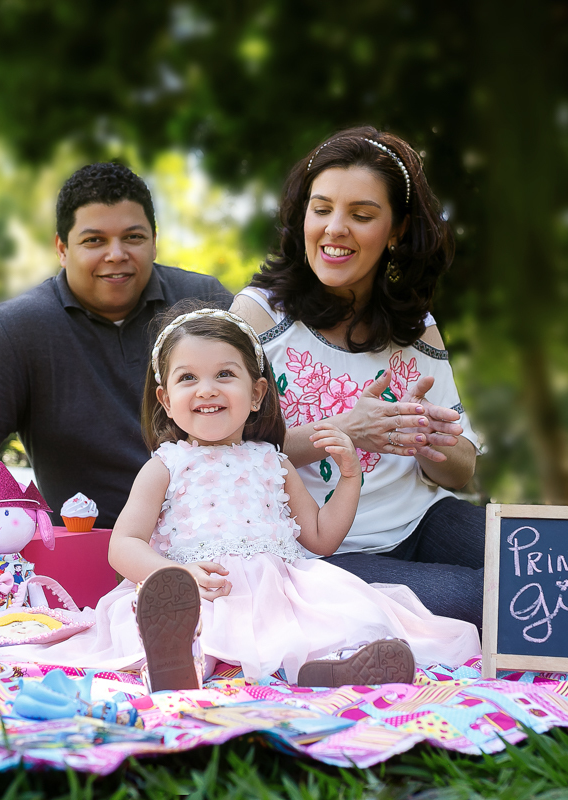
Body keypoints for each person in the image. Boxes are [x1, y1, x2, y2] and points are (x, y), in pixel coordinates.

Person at [0, 306, 481, 688]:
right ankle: (178, 663)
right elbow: (122, 545)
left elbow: (321, 538)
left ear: (256, 394)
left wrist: (350, 476)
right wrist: (173, 574)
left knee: (341, 622)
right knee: (190, 624)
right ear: (166, 400)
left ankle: (327, 671)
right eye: (188, 378)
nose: (206, 389)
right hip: (198, 589)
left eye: (225, 375)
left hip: (280, 592)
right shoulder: (164, 466)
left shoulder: (274, 461)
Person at [230, 126, 486, 630]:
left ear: (396, 230)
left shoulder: (418, 327)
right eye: (321, 209)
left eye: (361, 215)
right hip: (321, 548)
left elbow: (461, 471)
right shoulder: (259, 317)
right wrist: (345, 430)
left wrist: (429, 438)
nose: (334, 228)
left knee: (532, 563)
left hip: (423, 520)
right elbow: (224, 452)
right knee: (480, 600)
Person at [0, 163, 232, 531]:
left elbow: (267, 420)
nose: (116, 254)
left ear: (154, 241)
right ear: (62, 248)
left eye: (133, 237)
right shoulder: (15, 331)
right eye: (94, 240)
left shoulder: (206, 302)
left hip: (223, 536)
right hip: (90, 551)